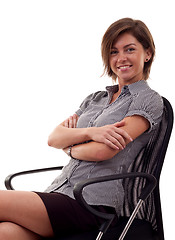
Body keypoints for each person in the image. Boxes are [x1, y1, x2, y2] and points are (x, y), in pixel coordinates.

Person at [0, 18, 163, 239]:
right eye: (114, 52)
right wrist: (90, 133)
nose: (121, 58)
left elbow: (102, 151)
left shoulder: (148, 101)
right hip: (59, 192)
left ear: (148, 53)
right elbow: (54, 137)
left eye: (130, 49)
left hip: (92, 203)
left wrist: (69, 147)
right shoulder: (94, 99)